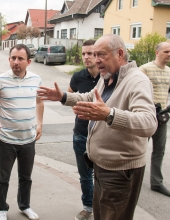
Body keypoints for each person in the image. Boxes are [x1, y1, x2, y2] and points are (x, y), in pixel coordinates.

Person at [37, 34, 157, 220]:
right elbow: (90, 98)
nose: (96, 59)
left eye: (101, 54)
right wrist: (63, 97)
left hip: (120, 171)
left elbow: (149, 123)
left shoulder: (137, 81)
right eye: (94, 54)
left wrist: (109, 114)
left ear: (119, 53)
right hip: (102, 167)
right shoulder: (108, 77)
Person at [0, 44, 44, 220]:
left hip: (28, 139)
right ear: (9, 59)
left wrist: (40, 124)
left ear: (29, 61)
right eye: (13, 58)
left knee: (26, 177)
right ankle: (1, 209)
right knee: (3, 177)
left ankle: (24, 205)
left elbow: (40, 102)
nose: (16, 62)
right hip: (6, 140)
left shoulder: (36, 79)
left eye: (20, 59)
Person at [68, 39, 100, 220]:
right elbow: (71, 95)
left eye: (91, 53)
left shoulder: (108, 77)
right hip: (81, 133)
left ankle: (101, 207)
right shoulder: (78, 76)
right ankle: (88, 207)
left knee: (102, 175)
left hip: (102, 134)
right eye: (84, 54)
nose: (86, 57)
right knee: (85, 176)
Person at [139, 42, 170, 198]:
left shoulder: (169, 71)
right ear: (157, 52)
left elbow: (165, 93)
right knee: (138, 150)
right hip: (147, 116)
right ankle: (133, 182)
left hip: (162, 117)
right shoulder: (144, 69)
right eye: (166, 51)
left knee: (159, 150)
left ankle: (157, 183)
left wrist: (165, 109)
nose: (169, 54)